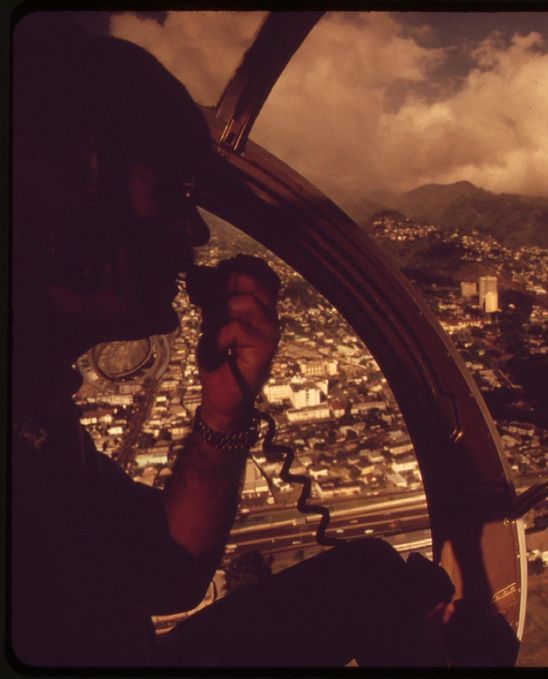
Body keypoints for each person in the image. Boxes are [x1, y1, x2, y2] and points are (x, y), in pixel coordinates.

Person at [10, 14, 453, 668]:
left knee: (373, 577)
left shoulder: (35, 411)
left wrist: (223, 411)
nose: (193, 233)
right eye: (171, 191)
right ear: (58, 187)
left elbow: (169, 571)